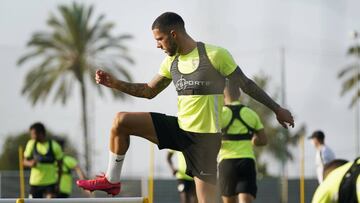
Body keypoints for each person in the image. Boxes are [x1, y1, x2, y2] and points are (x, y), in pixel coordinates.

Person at [77, 12, 294, 202]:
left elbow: (245, 84)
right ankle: (112, 181)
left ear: (173, 34)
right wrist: (114, 83)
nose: (157, 45)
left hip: (205, 142)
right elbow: (148, 91)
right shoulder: (171, 62)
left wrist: (277, 109)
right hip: (180, 129)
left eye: (159, 39)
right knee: (121, 121)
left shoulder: (215, 55)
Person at [218, 83, 267, 203]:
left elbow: (212, 139)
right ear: (239, 94)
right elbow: (263, 140)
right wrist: (254, 141)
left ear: (223, 95)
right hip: (247, 161)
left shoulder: (220, 114)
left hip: (226, 162)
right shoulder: (251, 113)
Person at [23, 122, 63, 198]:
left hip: (50, 183)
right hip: (35, 183)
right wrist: (30, 163)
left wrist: (58, 184)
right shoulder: (31, 144)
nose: (31, 136)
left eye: (33, 134)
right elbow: (24, 161)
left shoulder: (55, 146)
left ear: (40, 133)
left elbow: (60, 167)